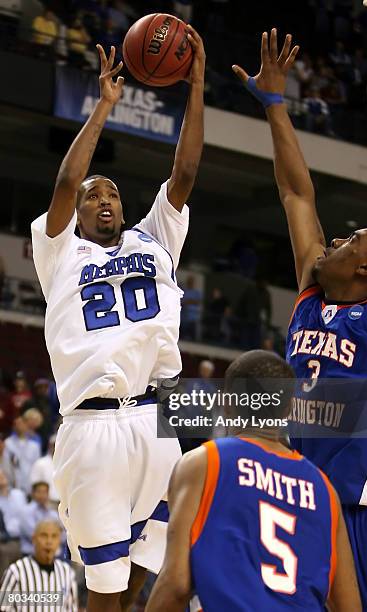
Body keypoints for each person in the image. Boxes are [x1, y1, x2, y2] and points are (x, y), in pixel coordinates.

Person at [30, 26, 205, 612]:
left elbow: (183, 176)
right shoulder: (59, 253)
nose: (102, 199)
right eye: (91, 195)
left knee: (151, 574)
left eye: (111, 194)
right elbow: (62, 182)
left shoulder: (153, 241)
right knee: (103, 587)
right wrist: (104, 107)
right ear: (77, 213)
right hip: (93, 426)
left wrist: (196, 86)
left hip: (157, 418)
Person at [233, 29, 367, 609]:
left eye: (351, 238)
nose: (334, 238)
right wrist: (275, 103)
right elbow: (296, 194)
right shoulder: (311, 292)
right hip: (310, 501)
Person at [146, 350, 361, 611]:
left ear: (226, 401)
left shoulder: (204, 462)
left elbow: (175, 584)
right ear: (290, 410)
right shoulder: (324, 490)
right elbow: (349, 606)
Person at [0, 520, 78, 611]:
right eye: (44, 536)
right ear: (33, 539)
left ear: (59, 541)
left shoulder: (67, 573)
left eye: (54, 536)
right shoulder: (16, 571)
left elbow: (72, 608)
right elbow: (3, 608)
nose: (49, 541)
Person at [19, 482, 60, 556]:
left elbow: (61, 534)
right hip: (30, 552)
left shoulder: (53, 513)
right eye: (39, 492)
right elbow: (33, 534)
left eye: (45, 492)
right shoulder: (26, 511)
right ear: (33, 493)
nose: (42, 495)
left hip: (53, 553)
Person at [4, 417, 41, 495]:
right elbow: (6, 464)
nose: (18, 426)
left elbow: (36, 466)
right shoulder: (7, 443)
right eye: (16, 424)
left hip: (30, 483)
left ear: (26, 425)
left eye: (21, 423)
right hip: (14, 483)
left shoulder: (34, 446)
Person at [0, 468, 26, 577]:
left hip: (25, 538)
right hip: (5, 541)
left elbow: (27, 516)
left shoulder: (19, 494)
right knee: (3, 551)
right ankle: (6, 588)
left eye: (2, 473)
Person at [30, 434, 59, 508]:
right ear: (50, 446)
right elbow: (35, 484)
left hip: (64, 503)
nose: (56, 447)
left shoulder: (66, 463)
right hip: (47, 503)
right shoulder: (41, 463)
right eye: (54, 445)